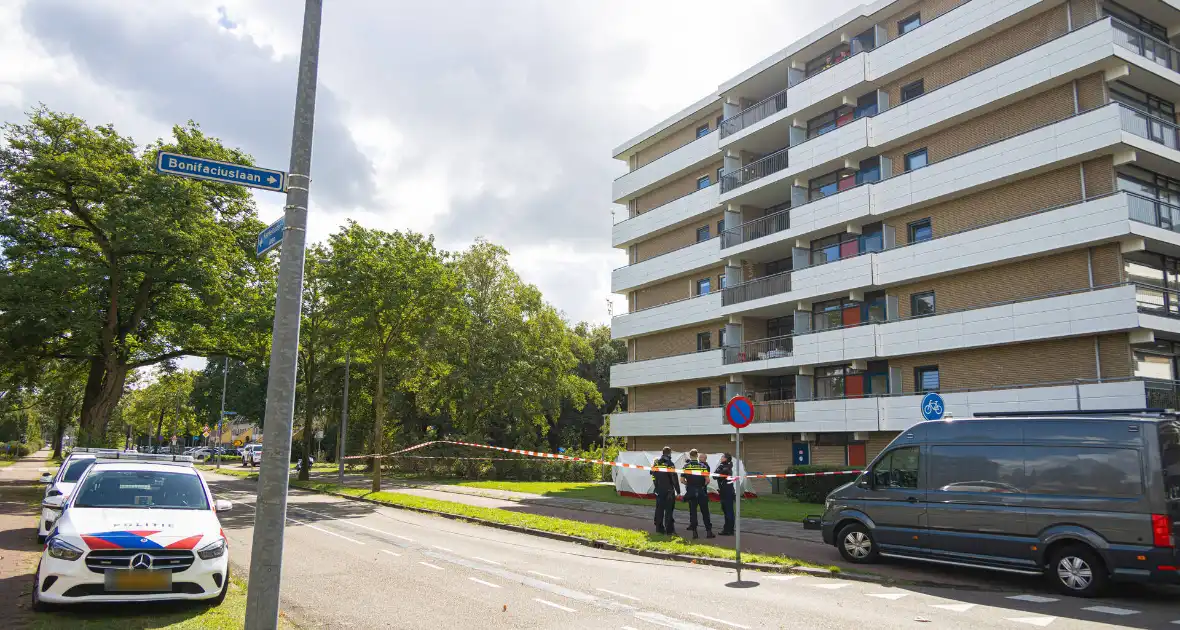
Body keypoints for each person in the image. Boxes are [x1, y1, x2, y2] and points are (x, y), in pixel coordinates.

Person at [681, 449, 715, 539]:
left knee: (693, 512)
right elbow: (707, 480)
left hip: (691, 492)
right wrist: (702, 486)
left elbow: (682, 480)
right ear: (697, 456)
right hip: (701, 491)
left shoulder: (686, 466)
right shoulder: (703, 466)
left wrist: (688, 485)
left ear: (690, 455)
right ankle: (709, 531)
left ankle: (694, 532)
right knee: (705, 512)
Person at [651, 446, 680, 535]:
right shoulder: (670, 464)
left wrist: (656, 486)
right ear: (670, 453)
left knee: (659, 509)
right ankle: (669, 530)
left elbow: (653, 476)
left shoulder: (656, 463)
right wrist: (678, 490)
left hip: (659, 490)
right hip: (669, 490)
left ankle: (659, 528)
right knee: (668, 510)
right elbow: (674, 478)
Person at [715, 452, 736, 536]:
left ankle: (729, 530)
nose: (721, 458)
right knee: (726, 510)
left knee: (729, 511)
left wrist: (719, 470)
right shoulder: (724, 466)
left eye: (723, 457)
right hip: (724, 491)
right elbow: (715, 474)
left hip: (727, 492)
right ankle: (727, 529)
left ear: (726, 458)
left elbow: (716, 475)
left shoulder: (726, 467)